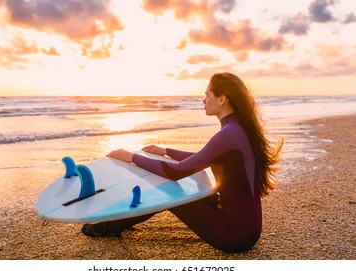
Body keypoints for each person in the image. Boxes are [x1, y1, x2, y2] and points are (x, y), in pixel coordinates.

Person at [81, 72, 283, 252]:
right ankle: (118, 223)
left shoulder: (228, 134)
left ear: (222, 99)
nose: (203, 101)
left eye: (207, 95)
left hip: (232, 235)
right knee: (182, 190)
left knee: (168, 191)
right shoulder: (238, 130)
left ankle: (110, 226)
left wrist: (132, 157)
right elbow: (203, 157)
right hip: (249, 231)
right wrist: (166, 151)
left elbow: (175, 172)